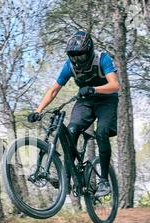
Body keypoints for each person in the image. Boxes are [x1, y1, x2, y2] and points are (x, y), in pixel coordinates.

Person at [27, 31, 120, 197]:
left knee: (101, 132)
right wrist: (38, 110)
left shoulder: (102, 59)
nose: (77, 60)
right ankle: (67, 177)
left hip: (106, 100)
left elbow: (114, 85)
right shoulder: (69, 66)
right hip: (85, 101)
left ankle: (104, 181)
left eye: (80, 56)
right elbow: (54, 90)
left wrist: (93, 89)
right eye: (73, 57)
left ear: (89, 52)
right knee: (71, 130)